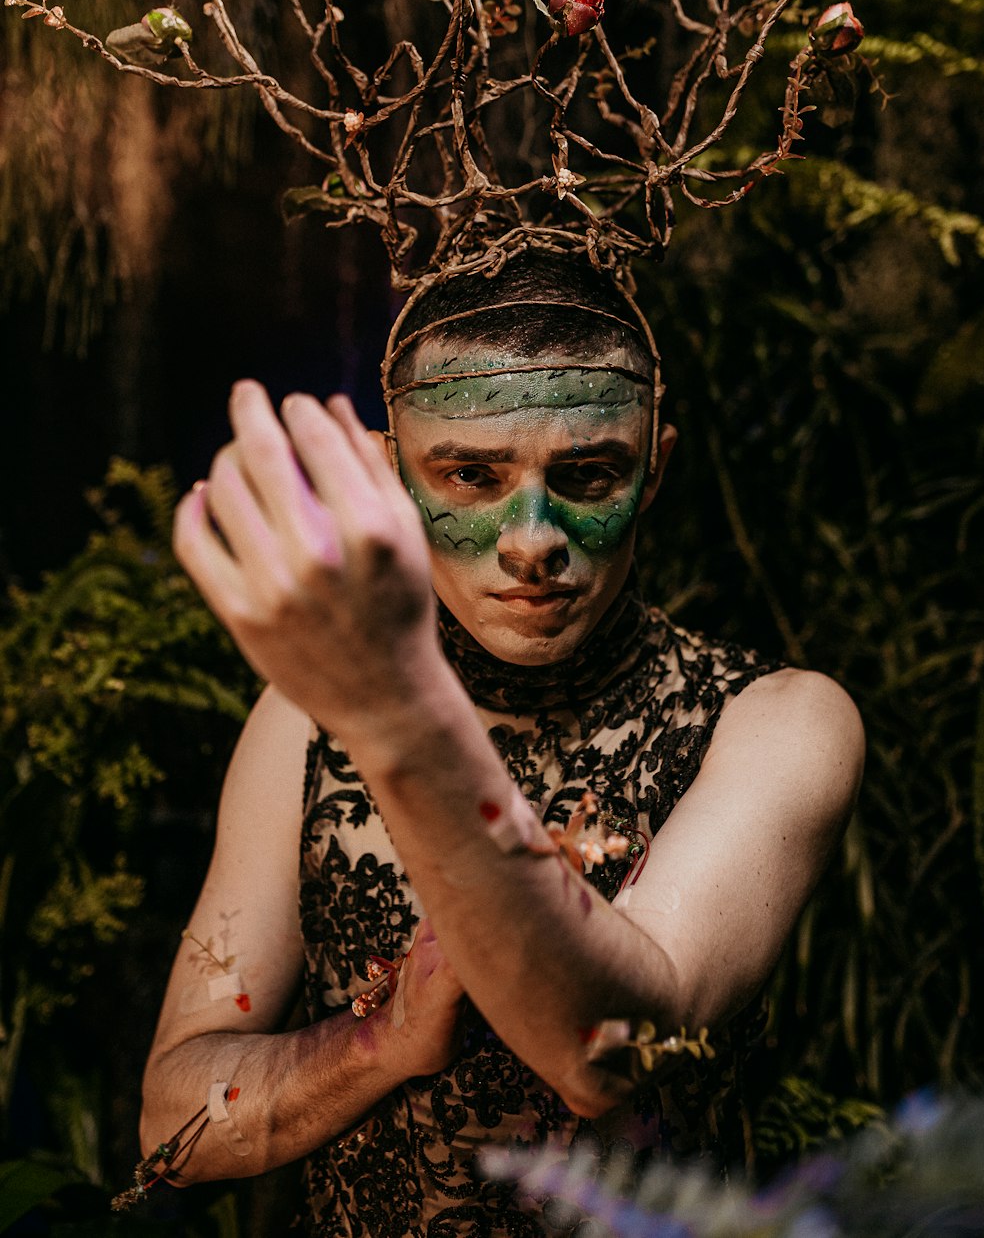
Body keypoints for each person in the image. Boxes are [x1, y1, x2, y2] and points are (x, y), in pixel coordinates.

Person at [140, 252, 864, 1236]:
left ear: (653, 469)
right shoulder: (302, 721)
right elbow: (171, 1122)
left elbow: (605, 1051)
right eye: (470, 476)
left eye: (586, 473)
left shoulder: (774, 722)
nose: (531, 538)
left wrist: (398, 714)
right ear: (391, 470)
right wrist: (377, 1044)